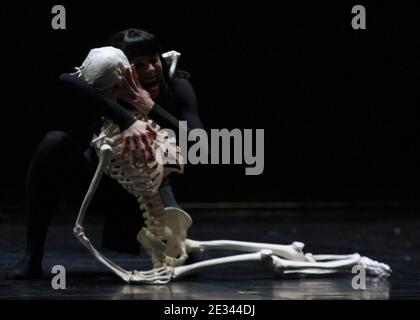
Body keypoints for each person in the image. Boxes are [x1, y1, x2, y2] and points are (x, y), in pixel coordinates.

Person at [6, 28, 204, 279]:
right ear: (123, 68)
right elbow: (67, 79)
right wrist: (126, 119)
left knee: (187, 260)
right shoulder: (106, 87)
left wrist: (149, 107)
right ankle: (32, 257)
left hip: (148, 189)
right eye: (139, 65)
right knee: (53, 143)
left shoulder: (177, 84)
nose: (151, 70)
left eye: (154, 60)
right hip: (99, 183)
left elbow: (199, 141)